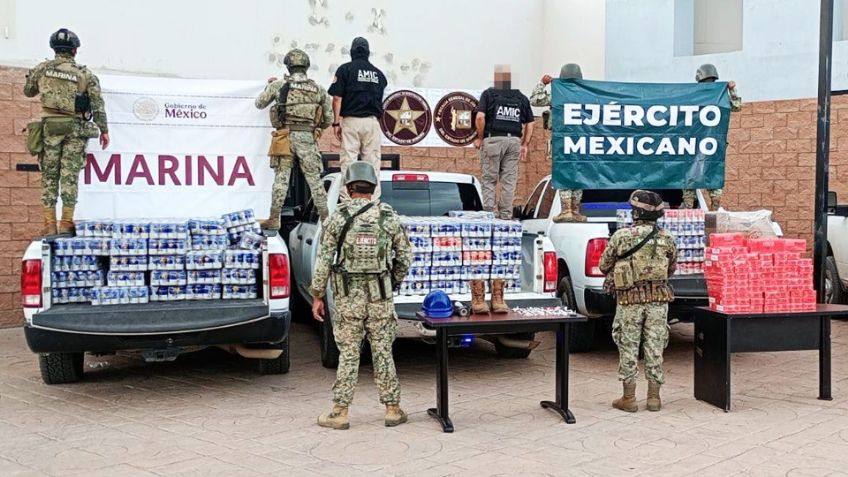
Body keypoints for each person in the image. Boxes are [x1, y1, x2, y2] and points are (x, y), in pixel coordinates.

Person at [310, 162, 412, 430]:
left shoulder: (337, 218)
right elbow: (404, 258)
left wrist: (317, 295)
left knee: (349, 353)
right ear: (373, 187)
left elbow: (323, 261)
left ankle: (340, 411)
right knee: (383, 352)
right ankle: (392, 409)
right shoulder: (388, 217)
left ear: (349, 187)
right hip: (380, 297)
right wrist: (391, 283)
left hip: (347, 298)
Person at [24, 28, 109, 236]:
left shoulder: (42, 69)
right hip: (75, 130)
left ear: (54, 48)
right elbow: (97, 104)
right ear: (75, 50)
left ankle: (49, 225)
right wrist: (104, 130)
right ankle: (66, 224)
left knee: (49, 177)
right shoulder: (85, 74)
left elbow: (29, 91)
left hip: (50, 129)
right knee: (69, 177)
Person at [599, 190, 677, 413]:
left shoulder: (622, 237)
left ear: (636, 212)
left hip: (629, 300)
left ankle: (629, 398)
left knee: (628, 345)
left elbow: (604, 266)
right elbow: (671, 268)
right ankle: (654, 398)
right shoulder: (667, 238)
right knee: (655, 345)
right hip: (658, 300)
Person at [255, 48, 333, 230]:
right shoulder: (318, 89)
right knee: (315, 180)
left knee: (281, 179)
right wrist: (315, 129)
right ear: (306, 66)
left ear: (289, 66)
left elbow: (259, 103)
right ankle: (327, 221)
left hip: (284, 136)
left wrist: (270, 86)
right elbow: (329, 119)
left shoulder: (279, 85)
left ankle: (274, 218)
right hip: (307, 137)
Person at [328, 37, 387, 201]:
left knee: (349, 162)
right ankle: (373, 203)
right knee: (373, 163)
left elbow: (337, 98)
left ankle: (347, 202)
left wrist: (336, 122)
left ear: (352, 52)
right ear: (368, 53)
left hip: (351, 121)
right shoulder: (379, 74)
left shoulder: (345, 70)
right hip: (372, 122)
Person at [473, 65, 535, 220]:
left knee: (489, 179)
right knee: (509, 181)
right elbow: (531, 123)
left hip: (493, 139)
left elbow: (480, 117)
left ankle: (489, 214)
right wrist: (525, 145)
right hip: (514, 141)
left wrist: (480, 138)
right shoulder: (522, 97)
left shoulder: (489, 94)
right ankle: (506, 215)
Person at [682, 63, 743, 211]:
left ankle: (712, 213)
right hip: (696, 146)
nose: (710, 84)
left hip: (709, 145)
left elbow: (736, 106)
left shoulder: (717, 95)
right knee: (691, 183)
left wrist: (732, 90)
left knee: (712, 184)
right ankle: (691, 212)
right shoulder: (694, 95)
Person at [530, 63, 586, 222]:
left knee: (563, 171)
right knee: (578, 173)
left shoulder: (558, 93)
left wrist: (543, 83)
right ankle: (575, 210)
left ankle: (566, 210)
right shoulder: (585, 93)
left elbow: (535, 99)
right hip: (582, 138)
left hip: (561, 138)